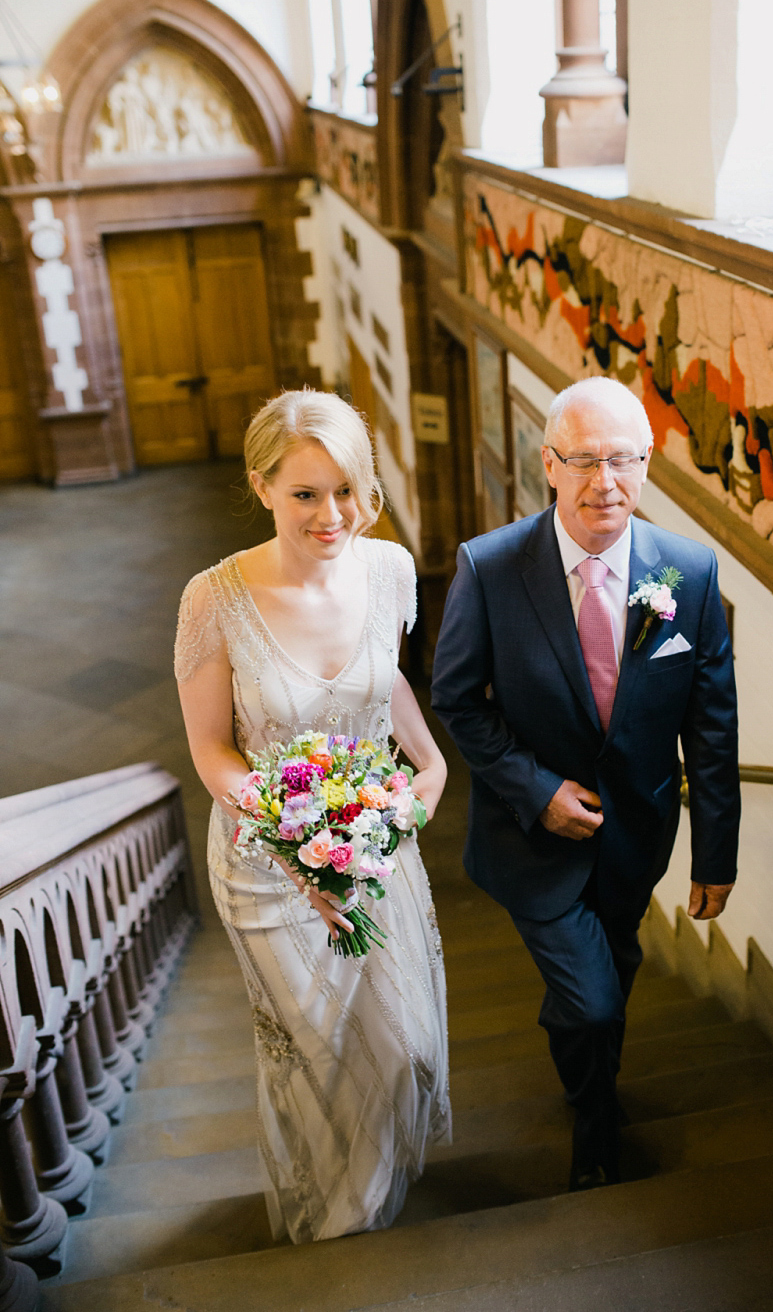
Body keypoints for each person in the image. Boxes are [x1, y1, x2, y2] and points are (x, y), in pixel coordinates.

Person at [431, 376, 739, 1191]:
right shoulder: (491, 568)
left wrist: (717, 856)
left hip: (636, 838)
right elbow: (457, 699)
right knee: (597, 1003)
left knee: (614, 974)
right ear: (550, 465)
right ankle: (593, 1124)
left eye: (626, 461)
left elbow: (711, 728)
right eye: (588, 461)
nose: (608, 482)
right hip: (531, 841)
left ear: (647, 463)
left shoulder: (688, 573)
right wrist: (536, 790)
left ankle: (588, 1068)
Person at [175, 389, 450, 1242]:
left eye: (346, 490)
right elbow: (213, 751)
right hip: (267, 863)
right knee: (321, 1053)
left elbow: (382, 676)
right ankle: (339, 1213)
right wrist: (298, 849)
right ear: (261, 487)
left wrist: (427, 762)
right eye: (304, 494)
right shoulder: (212, 599)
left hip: (371, 843)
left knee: (403, 1045)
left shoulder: (391, 568)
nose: (332, 515)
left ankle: (377, 1179)